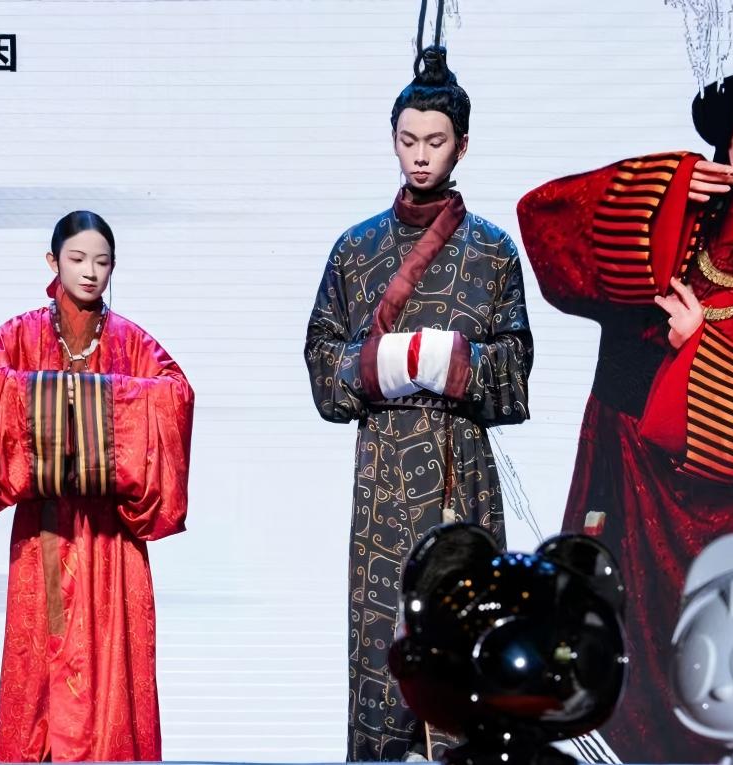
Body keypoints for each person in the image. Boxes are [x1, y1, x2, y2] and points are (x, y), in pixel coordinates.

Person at [515, 65, 733, 763]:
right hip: (617, 459)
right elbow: (542, 218)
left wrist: (699, 344)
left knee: (698, 662)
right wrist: (659, 184)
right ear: (724, 158)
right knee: (598, 635)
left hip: (708, 499)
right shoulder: (683, 216)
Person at [302, 43, 533, 761]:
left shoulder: (492, 250)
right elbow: (321, 363)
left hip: (463, 471)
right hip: (384, 478)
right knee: (384, 647)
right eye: (409, 140)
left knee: (468, 648)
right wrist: (383, 365)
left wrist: (450, 362)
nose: (421, 155)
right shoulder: (356, 249)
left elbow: (516, 370)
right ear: (393, 140)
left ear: (462, 144)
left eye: (436, 141)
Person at [0, 211, 194, 762]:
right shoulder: (22, 334)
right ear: (52, 261)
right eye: (77, 259)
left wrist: (87, 403)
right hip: (44, 531)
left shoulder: (130, 341)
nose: (89, 272)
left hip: (111, 537)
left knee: (112, 670)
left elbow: (175, 394)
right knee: (40, 668)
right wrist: (52, 399)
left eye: (102, 262)